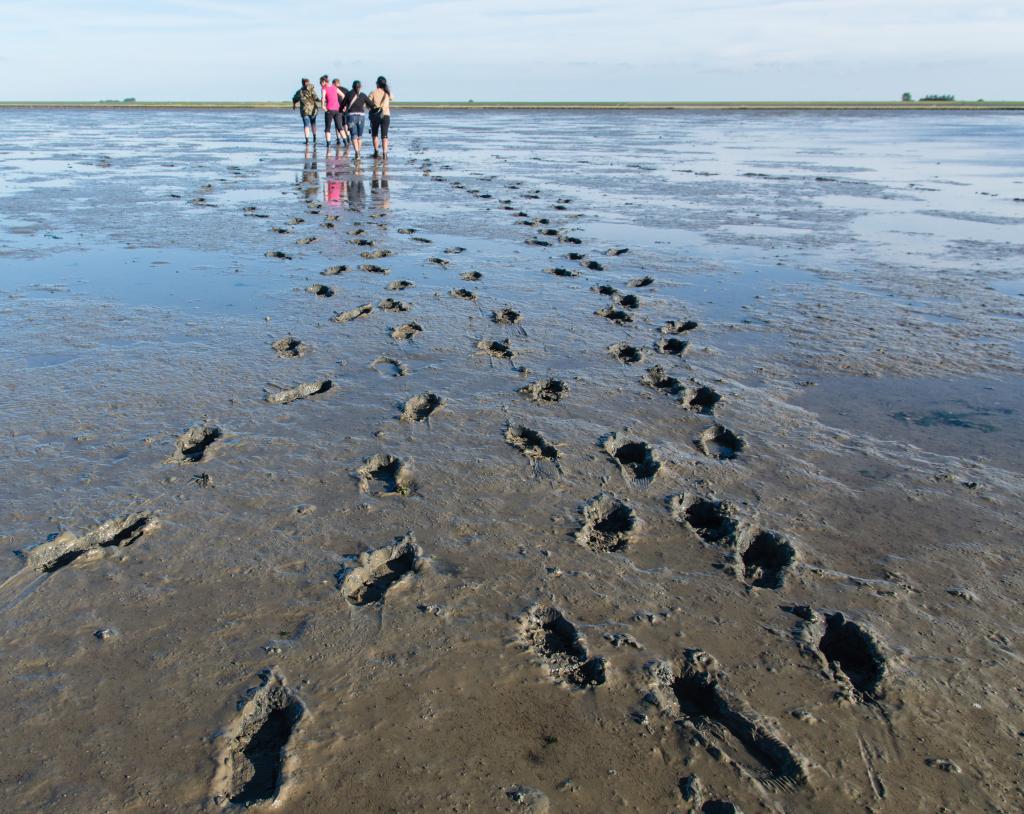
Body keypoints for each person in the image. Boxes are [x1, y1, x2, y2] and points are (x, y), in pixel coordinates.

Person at [343, 80, 370, 159]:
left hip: (351, 117)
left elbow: (342, 105)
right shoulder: (363, 95)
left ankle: (357, 153)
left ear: (352, 87)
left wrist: (342, 110)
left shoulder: (348, 94)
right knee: (360, 136)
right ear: (360, 87)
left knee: (354, 135)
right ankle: (359, 153)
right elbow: (371, 104)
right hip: (361, 116)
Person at [367, 76, 392, 159]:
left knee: (375, 135)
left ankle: (376, 152)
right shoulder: (387, 93)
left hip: (375, 115)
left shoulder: (373, 92)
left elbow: (367, 103)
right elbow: (392, 98)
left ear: (377, 84)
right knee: (385, 136)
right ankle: (385, 154)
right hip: (386, 115)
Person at [291, 78, 319, 144]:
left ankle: (307, 141)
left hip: (304, 110)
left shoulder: (300, 91)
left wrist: (294, 105)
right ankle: (314, 138)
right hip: (313, 110)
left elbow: (294, 99)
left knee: (306, 125)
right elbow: (316, 98)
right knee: (313, 123)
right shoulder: (312, 90)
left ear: (302, 83)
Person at [320, 74, 344, 146]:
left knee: (327, 128)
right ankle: (346, 143)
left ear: (324, 81)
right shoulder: (334, 87)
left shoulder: (324, 89)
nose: (320, 84)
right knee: (340, 127)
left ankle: (328, 145)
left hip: (329, 110)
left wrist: (323, 106)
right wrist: (343, 105)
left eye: (321, 82)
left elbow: (323, 98)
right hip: (337, 109)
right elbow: (343, 95)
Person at [331, 78, 351, 148]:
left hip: (337, 109)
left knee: (338, 124)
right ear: (339, 83)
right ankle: (348, 137)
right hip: (345, 108)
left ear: (333, 83)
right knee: (345, 124)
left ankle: (338, 139)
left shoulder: (333, 90)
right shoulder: (345, 89)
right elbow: (349, 98)